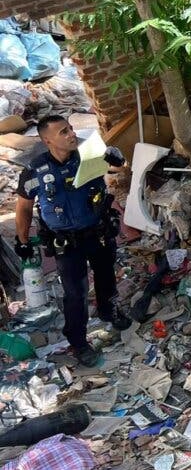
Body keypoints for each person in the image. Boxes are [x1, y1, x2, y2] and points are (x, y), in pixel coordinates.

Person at [14, 116, 130, 367]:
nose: (71, 134)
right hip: (66, 242)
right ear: (47, 141)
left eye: (71, 128)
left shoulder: (89, 156)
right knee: (75, 293)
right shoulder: (36, 171)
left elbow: (120, 168)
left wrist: (118, 158)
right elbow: (23, 208)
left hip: (97, 232)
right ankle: (78, 342)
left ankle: (108, 310)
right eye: (63, 132)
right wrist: (22, 241)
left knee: (106, 277)